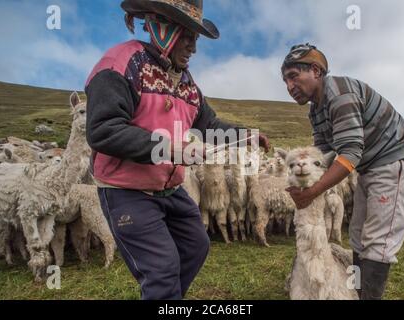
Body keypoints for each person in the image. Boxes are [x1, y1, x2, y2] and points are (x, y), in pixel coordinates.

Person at [85, 0, 269, 300]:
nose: (192, 47)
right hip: (126, 189)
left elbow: (208, 124)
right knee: (161, 269)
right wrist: (170, 149)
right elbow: (103, 130)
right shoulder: (121, 64)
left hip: (169, 188)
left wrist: (246, 135)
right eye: (186, 36)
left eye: (195, 39)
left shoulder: (186, 83)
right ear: (162, 27)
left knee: (195, 245)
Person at [281, 43, 404, 300]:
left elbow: (351, 151)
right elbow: (322, 155)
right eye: (285, 81)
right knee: (357, 235)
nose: (289, 87)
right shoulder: (317, 109)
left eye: (293, 77)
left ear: (316, 71)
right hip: (368, 167)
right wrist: (306, 178)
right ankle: (356, 292)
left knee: (378, 240)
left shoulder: (339, 94)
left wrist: (313, 191)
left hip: (391, 161)